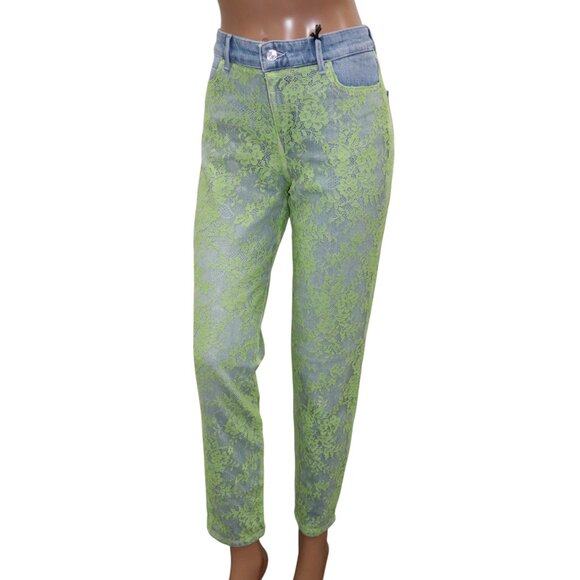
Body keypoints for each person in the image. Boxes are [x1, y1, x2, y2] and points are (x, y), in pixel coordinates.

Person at [193, 0, 395, 578]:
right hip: (236, 99)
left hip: (338, 95)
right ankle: (245, 549)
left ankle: (314, 541)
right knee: (218, 350)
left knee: (325, 357)